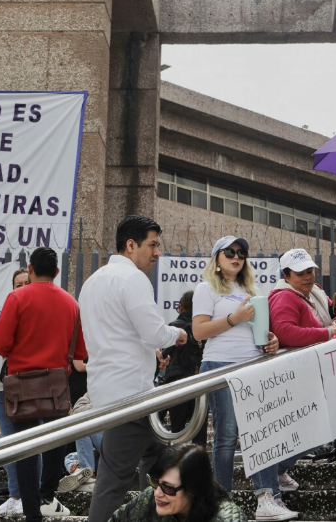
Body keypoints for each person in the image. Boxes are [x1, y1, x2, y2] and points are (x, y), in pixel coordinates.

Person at [79, 215, 188, 522]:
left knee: (165, 463)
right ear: (131, 245)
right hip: (132, 397)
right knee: (112, 481)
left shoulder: (91, 282)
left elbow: (115, 334)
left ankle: (190, 508)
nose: (157, 252)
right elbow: (154, 331)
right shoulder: (133, 279)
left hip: (107, 391)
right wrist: (178, 334)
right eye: (152, 245)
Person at [192, 235, 291, 520]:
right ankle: (223, 501)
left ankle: (266, 497)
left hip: (253, 365)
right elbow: (198, 332)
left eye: (241, 253)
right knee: (227, 435)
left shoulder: (251, 288)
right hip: (220, 364)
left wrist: (270, 340)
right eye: (229, 252)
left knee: (262, 432)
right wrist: (234, 318)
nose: (237, 257)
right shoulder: (206, 288)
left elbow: (257, 332)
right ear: (217, 259)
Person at [0, 247, 88, 521]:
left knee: (26, 447)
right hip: (57, 383)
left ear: (30, 269)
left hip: (22, 386)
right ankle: (47, 494)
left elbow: (0, 344)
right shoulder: (71, 303)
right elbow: (80, 352)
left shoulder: (17, 297)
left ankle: (32, 511)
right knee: (56, 437)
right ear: (57, 272)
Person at [267, 248, 336, 503]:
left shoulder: (315, 293)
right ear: (286, 274)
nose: (308, 276)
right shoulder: (284, 298)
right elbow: (286, 332)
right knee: (313, 430)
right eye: (300, 272)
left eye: (310, 271)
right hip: (294, 374)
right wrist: (328, 332)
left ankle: (279, 471)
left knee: (316, 430)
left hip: (313, 371)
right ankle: (277, 471)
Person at [0, 267, 32, 517]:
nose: (23, 287)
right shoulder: (9, 308)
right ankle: (15, 495)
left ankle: (28, 496)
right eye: (18, 284)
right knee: (9, 442)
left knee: (27, 443)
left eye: (28, 282)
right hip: (5, 385)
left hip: (27, 385)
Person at [110, 444, 246, 522]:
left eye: (168, 488)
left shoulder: (227, 518)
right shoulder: (150, 498)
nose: (157, 493)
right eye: (154, 482)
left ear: (193, 489)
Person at [158, 291, 207, 445]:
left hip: (177, 382)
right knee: (200, 431)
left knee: (177, 431)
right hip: (200, 381)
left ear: (180, 307)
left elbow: (164, 354)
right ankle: (200, 464)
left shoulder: (173, 327)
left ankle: (177, 464)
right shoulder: (204, 329)